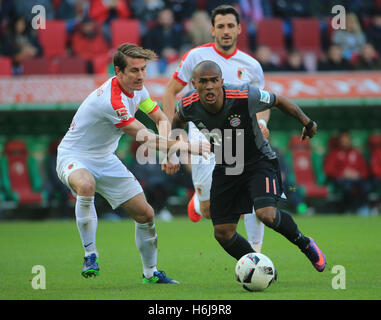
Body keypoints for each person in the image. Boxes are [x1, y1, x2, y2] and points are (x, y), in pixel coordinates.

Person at [56, 43, 209, 283]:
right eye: (134, 71)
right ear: (118, 72)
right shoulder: (112, 101)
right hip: (74, 156)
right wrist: (188, 147)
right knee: (86, 186)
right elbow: (146, 137)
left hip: (105, 159)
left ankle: (151, 274)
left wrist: (169, 153)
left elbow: (159, 118)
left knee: (146, 214)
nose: (140, 76)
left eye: (143, 69)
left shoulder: (139, 91)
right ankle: (90, 254)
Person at [172, 60, 326, 272]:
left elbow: (278, 100)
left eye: (214, 81)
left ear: (221, 82)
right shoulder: (186, 105)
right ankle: (258, 267)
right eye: (203, 81)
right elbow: (177, 123)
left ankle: (305, 243)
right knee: (223, 233)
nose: (209, 86)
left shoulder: (244, 95)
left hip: (258, 161)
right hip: (226, 166)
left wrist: (307, 122)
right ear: (194, 84)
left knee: (266, 214)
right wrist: (174, 150)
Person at [162, 4, 268, 252]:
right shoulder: (195, 57)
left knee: (253, 195)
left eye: (231, 25)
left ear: (240, 28)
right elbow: (170, 92)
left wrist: (261, 122)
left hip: (241, 137)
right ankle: (199, 204)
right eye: (220, 26)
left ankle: (256, 256)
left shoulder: (251, 65)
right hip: (204, 137)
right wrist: (170, 145)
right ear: (212, 30)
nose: (226, 31)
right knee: (211, 211)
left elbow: (263, 102)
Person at [323, 131, 371, 215]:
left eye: (347, 140)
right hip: (341, 179)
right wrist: (342, 173)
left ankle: (363, 208)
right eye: (343, 140)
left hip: (357, 178)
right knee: (347, 187)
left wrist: (357, 174)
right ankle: (350, 209)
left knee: (366, 186)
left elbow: (364, 170)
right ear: (340, 141)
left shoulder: (356, 153)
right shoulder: (334, 153)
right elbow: (329, 170)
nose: (345, 142)